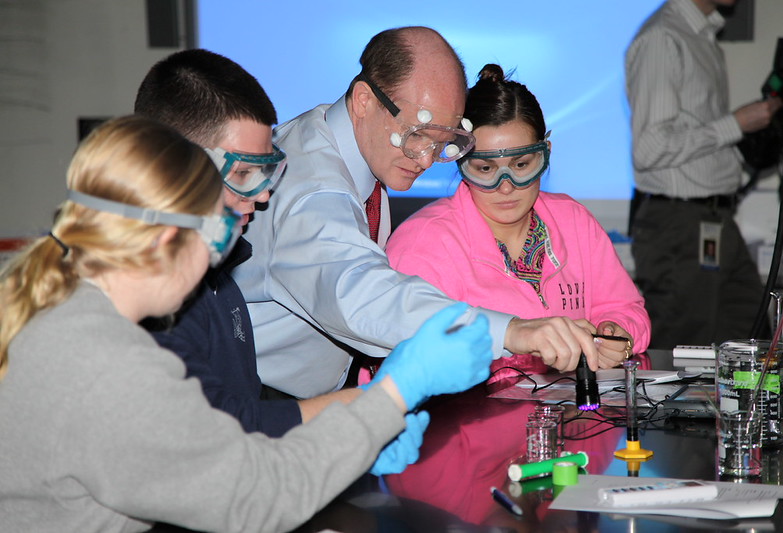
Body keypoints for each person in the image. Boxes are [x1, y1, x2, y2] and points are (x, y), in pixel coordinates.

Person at [0, 115, 494, 533]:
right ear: (164, 238)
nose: (222, 253)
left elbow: (213, 452)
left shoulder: (63, 315)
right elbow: (258, 496)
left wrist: (356, 445)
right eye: (219, 231)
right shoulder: (105, 364)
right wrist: (394, 393)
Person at [235, 26, 604, 400]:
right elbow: (363, 296)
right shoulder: (312, 188)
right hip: (258, 400)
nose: (427, 159)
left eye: (444, 143)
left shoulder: (339, 140)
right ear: (364, 101)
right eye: (418, 135)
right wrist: (510, 332)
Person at [135, 48, 361, 438]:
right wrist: (378, 403)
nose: (261, 196)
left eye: (265, 172)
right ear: (172, 166)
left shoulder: (220, 278)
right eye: (242, 173)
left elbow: (245, 412)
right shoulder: (150, 296)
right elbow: (213, 428)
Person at [385, 64, 650, 381]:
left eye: (521, 164)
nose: (505, 185)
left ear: (545, 154)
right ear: (460, 162)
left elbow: (627, 307)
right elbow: (404, 362)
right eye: (485, 169)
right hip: (466, 423)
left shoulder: (574, 221)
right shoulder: (423, 243)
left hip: (570, 420)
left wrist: (618, 335)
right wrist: (516, 353)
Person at [625, 0, 782, 348]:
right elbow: (649, 148)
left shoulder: (701, 33)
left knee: (751, 339)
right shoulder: (664, 37)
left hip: (712, 219)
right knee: (681, 353)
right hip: (681, 223)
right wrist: (736, 124)